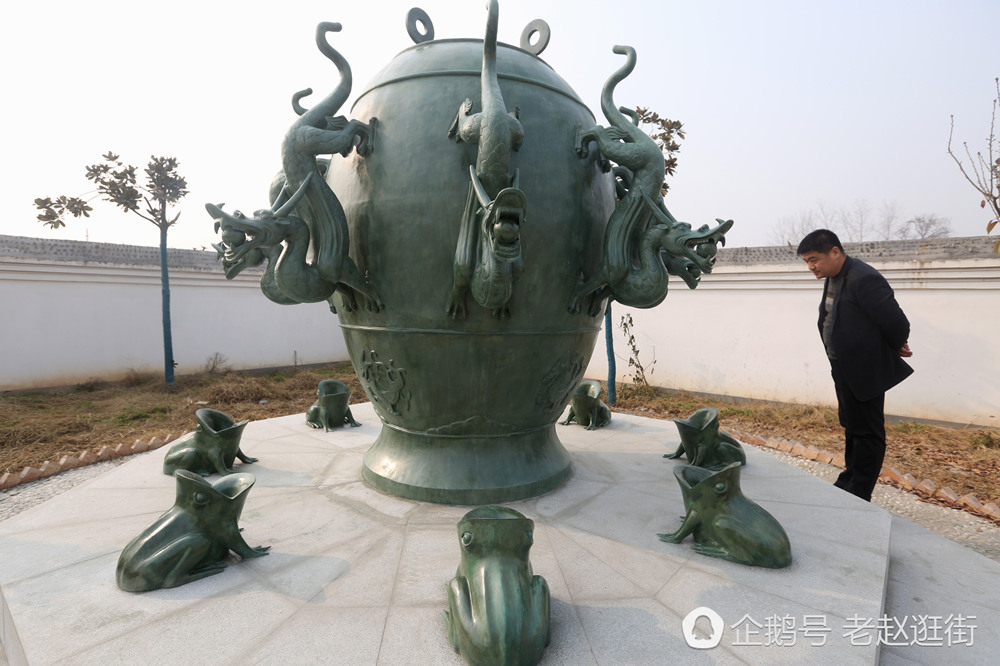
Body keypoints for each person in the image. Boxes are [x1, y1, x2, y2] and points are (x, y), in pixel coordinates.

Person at [796, 229, 913, 502]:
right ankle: (849, 481)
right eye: (807, 262)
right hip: (843, 367)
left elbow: (896, 322)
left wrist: (896, 344)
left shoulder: (864, 278)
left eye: (814, 259)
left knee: (868, 433)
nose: (811, 266)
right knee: (852, 427)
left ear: (835, 252)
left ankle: (859, 493)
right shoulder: (835, 276)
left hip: (865, 369)